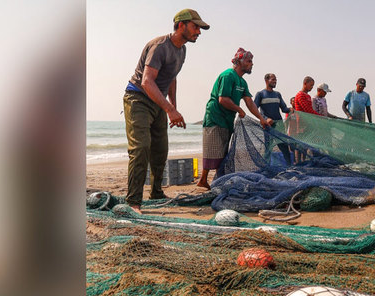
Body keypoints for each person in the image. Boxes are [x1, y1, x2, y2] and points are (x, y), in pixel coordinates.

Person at [123, 9, 209, 213]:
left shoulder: (182, 50)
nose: (199, 31)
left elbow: (171, 77)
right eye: (195, 26)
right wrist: (169, 109)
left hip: (158, 102)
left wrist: (173, 107)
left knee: (160, 150)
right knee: (141, 148)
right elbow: (146, 81)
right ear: (181, 25)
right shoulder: (160, 46)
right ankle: (133, 201)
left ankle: (156, 192)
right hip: (138, 98)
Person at [197, 48, 274, 187]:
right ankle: (204, 180)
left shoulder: (242, 82)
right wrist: (239, 109)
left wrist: (261, 119)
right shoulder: (228, 75)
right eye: (249, 61)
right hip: (215, 117)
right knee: (213, 148)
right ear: (239, 61)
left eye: (252, 61)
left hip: (227, 119)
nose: (252, 64)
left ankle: (212, 180)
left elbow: (250, 103)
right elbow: (223, 99)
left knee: (222, 150)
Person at [254, 73, 292, 164]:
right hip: (268, 125)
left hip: (279, 125)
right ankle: (265, 166)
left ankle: (290, 166)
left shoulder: (277, 94)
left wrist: (291, 109)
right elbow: (254, 109)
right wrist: (265, 119)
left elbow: (284, 109)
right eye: (273, 79)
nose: (275, 81)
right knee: (268, 147)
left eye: (276, 80)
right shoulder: (260, 94)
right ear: (266, 81)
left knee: (284, 146)